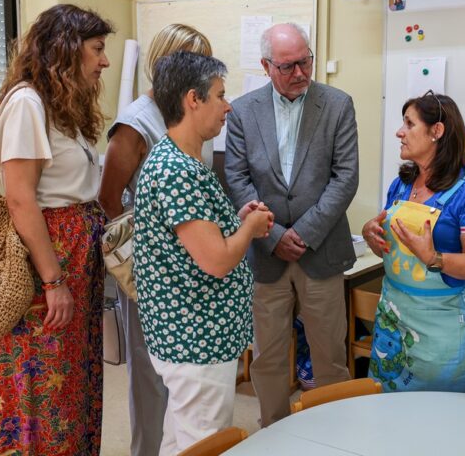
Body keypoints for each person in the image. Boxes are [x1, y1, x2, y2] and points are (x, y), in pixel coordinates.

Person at [0, 4, 113, 455]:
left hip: (75, 257)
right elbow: (20, 199)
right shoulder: (26, 103)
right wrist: (54, 280)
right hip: (50, 262)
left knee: (74, 377)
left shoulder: (61, 105)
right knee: (43, 381)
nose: (105, 61)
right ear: (66, 48)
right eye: (97, 49)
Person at [133, 51, 274, 454]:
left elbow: (199, 237)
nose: (227, 106)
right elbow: (215, 260)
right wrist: (249, 229)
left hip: (190, 334)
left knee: (181, 439)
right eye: (219, 95)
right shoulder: (177, 171)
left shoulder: (178, 162)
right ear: (193, 99)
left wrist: (237, 222)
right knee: (205, 443)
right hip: (195, 339)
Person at [225, 22, 358, 426]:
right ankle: (274, 432)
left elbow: (346, 176)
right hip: (267, 255)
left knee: (330, 357)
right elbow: (237, 178)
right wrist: (275, 235)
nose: (300, 73)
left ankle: (332, 436)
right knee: (267, 357)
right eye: (288, 66)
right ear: (266, 66)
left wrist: (303, 233)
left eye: (306, 61)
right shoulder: (244, 110)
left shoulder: (337, 104)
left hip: (320, 251)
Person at [98, 23, 211, 456]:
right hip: (148, 272)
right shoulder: (136, 122)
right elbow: (109, 199)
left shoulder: (180, 113)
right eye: (191, 64)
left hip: (184, 265)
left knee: (182, 378)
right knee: (150, 380)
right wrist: (142, 262)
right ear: (165, 65)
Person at [361, 91, 465, 393]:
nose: (399, 132)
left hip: (444, 331)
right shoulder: (402, 184)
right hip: (394, 322)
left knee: (441, 418)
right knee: (390, 411)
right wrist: (371, 233)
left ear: (437, 131)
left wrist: (435, 258)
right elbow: (390, 245)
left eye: (409, 124)